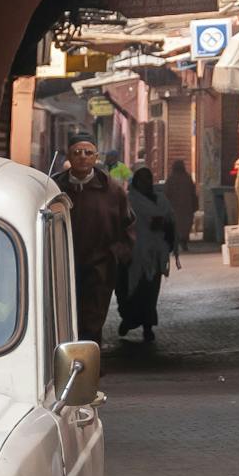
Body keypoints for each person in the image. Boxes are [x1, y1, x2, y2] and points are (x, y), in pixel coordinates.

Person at [54, 136, 134, 345]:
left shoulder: (112, 190)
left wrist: (117, 254)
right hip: (60, 266)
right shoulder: (54, 188)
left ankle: (89, 369)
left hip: (99, 267)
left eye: (88, 153)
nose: (82, 157)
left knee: (92, 320)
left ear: (96, 157)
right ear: (69, 156)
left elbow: (128, 226)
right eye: (77, 152)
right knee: (61, 317)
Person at [116, 167, 176, 341]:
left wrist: (162, 231)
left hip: (152, 256)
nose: (145, 184)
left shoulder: (159, 201)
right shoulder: (128, 201)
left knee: (149, 293)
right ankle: (127, 319)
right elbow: (119, 223)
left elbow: (170, 223)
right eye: (141, 180)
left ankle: (147, 327)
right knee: (126, 290)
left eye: (147, 180)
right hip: (131, 255)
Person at [163, 160, 199, 251]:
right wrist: (195, 205)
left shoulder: (171, 179)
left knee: (175, 225)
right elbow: (193, 193)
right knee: (186, 225)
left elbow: (166, 194)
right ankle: (184, 241)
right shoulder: (187, 178)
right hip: (187, 208)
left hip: (174, 207)